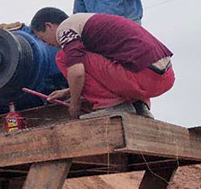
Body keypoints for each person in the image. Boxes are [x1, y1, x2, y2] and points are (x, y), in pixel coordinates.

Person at [30, 7, 174, 119]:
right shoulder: (88, 23)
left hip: (142, 76)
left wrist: (74, 103)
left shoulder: (65, 29)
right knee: (85, 58)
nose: (47, 44)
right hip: (163, 77)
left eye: (43, 39)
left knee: (63, 57)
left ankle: (113, 105)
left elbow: (78, 73)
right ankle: (139, 105)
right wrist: (68, 91)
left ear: (49, 26)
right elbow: (108, 66)